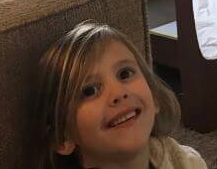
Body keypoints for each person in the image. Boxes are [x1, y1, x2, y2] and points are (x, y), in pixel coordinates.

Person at [33, 22, 206, 169]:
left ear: (153, 97)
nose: (119, 93)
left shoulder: (186, 162)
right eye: (90, 90)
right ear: (62, 138)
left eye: (125, 74)